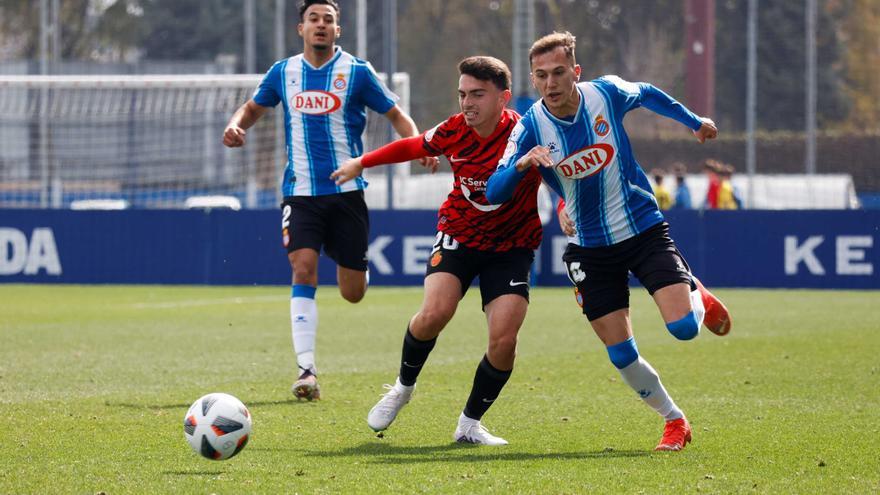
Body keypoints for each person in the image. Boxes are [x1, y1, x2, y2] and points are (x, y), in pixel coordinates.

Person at [486, 31, 732, 451]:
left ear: (575, 72)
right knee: (621, 354)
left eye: (559, 72)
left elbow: (649, 93)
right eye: (541, 75)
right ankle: (675, 421)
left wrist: (694, 122)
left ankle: (695, 292)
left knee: (685, 329)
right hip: (589, 248)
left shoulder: (606, 93)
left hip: (641, 228)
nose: (550, 83)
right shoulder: (529, 128)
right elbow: (494, 191)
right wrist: (524, 164)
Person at [222, 0, 430, 401]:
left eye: (328, 20)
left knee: (353, 291)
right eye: (313, 19)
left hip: (347, 193)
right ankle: (306, 370)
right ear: (300, 28)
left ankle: (353, 263)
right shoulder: (283, 73)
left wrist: (418, 145)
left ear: (339, 30)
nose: (321, 25)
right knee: (303, 268)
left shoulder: (357, 72)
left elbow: (397, 116)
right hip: (300, 192)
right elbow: (251, 109)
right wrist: (235, 126)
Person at [331, 56, 543, 445]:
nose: (467, 103)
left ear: (504, 98)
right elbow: (413, 145)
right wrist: (362, 162)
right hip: (459, 233)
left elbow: (557, 174)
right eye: (462, 94)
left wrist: (564, 210)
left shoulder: (527, 133)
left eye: (478, 94)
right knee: (434, 313)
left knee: (504, 341)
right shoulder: (454, 130)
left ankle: (469, 425)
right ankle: (402, 388)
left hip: (512, 244)